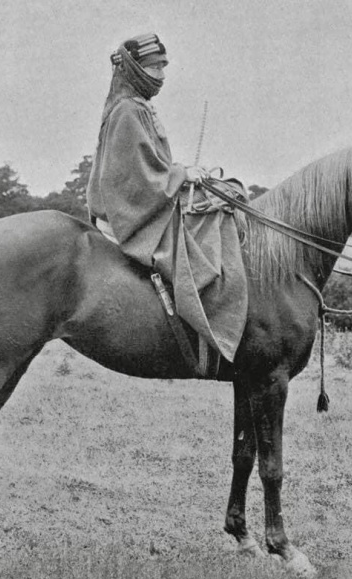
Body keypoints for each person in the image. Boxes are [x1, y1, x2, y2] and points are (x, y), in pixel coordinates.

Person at [87, 33, 247, 366]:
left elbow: (150, 166)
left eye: (163, 67)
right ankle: (202, 324)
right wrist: (179, 175)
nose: (161, 75)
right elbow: (136, 180)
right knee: (196, 251)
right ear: (136, 70)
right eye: (154, 67)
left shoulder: (138, 106)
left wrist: (181, 172)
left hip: (148, 204)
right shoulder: (127, 111)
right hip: (131, 215)